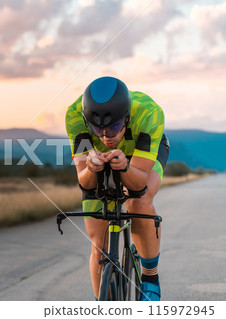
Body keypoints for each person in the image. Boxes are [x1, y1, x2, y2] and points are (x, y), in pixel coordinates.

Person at [65, 76, 170, 301]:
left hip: (141, 155)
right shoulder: (74, 116)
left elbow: (139, 182)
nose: (106, 136)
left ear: (127, 118)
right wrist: (91, 169)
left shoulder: (149, 113)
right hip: (98, 159)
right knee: (99, 246)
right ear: (87, 120)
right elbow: (85, 182)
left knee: (138, 202)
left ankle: (150, 277)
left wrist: (125, 167)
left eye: (113, 127)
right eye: (97, 129)